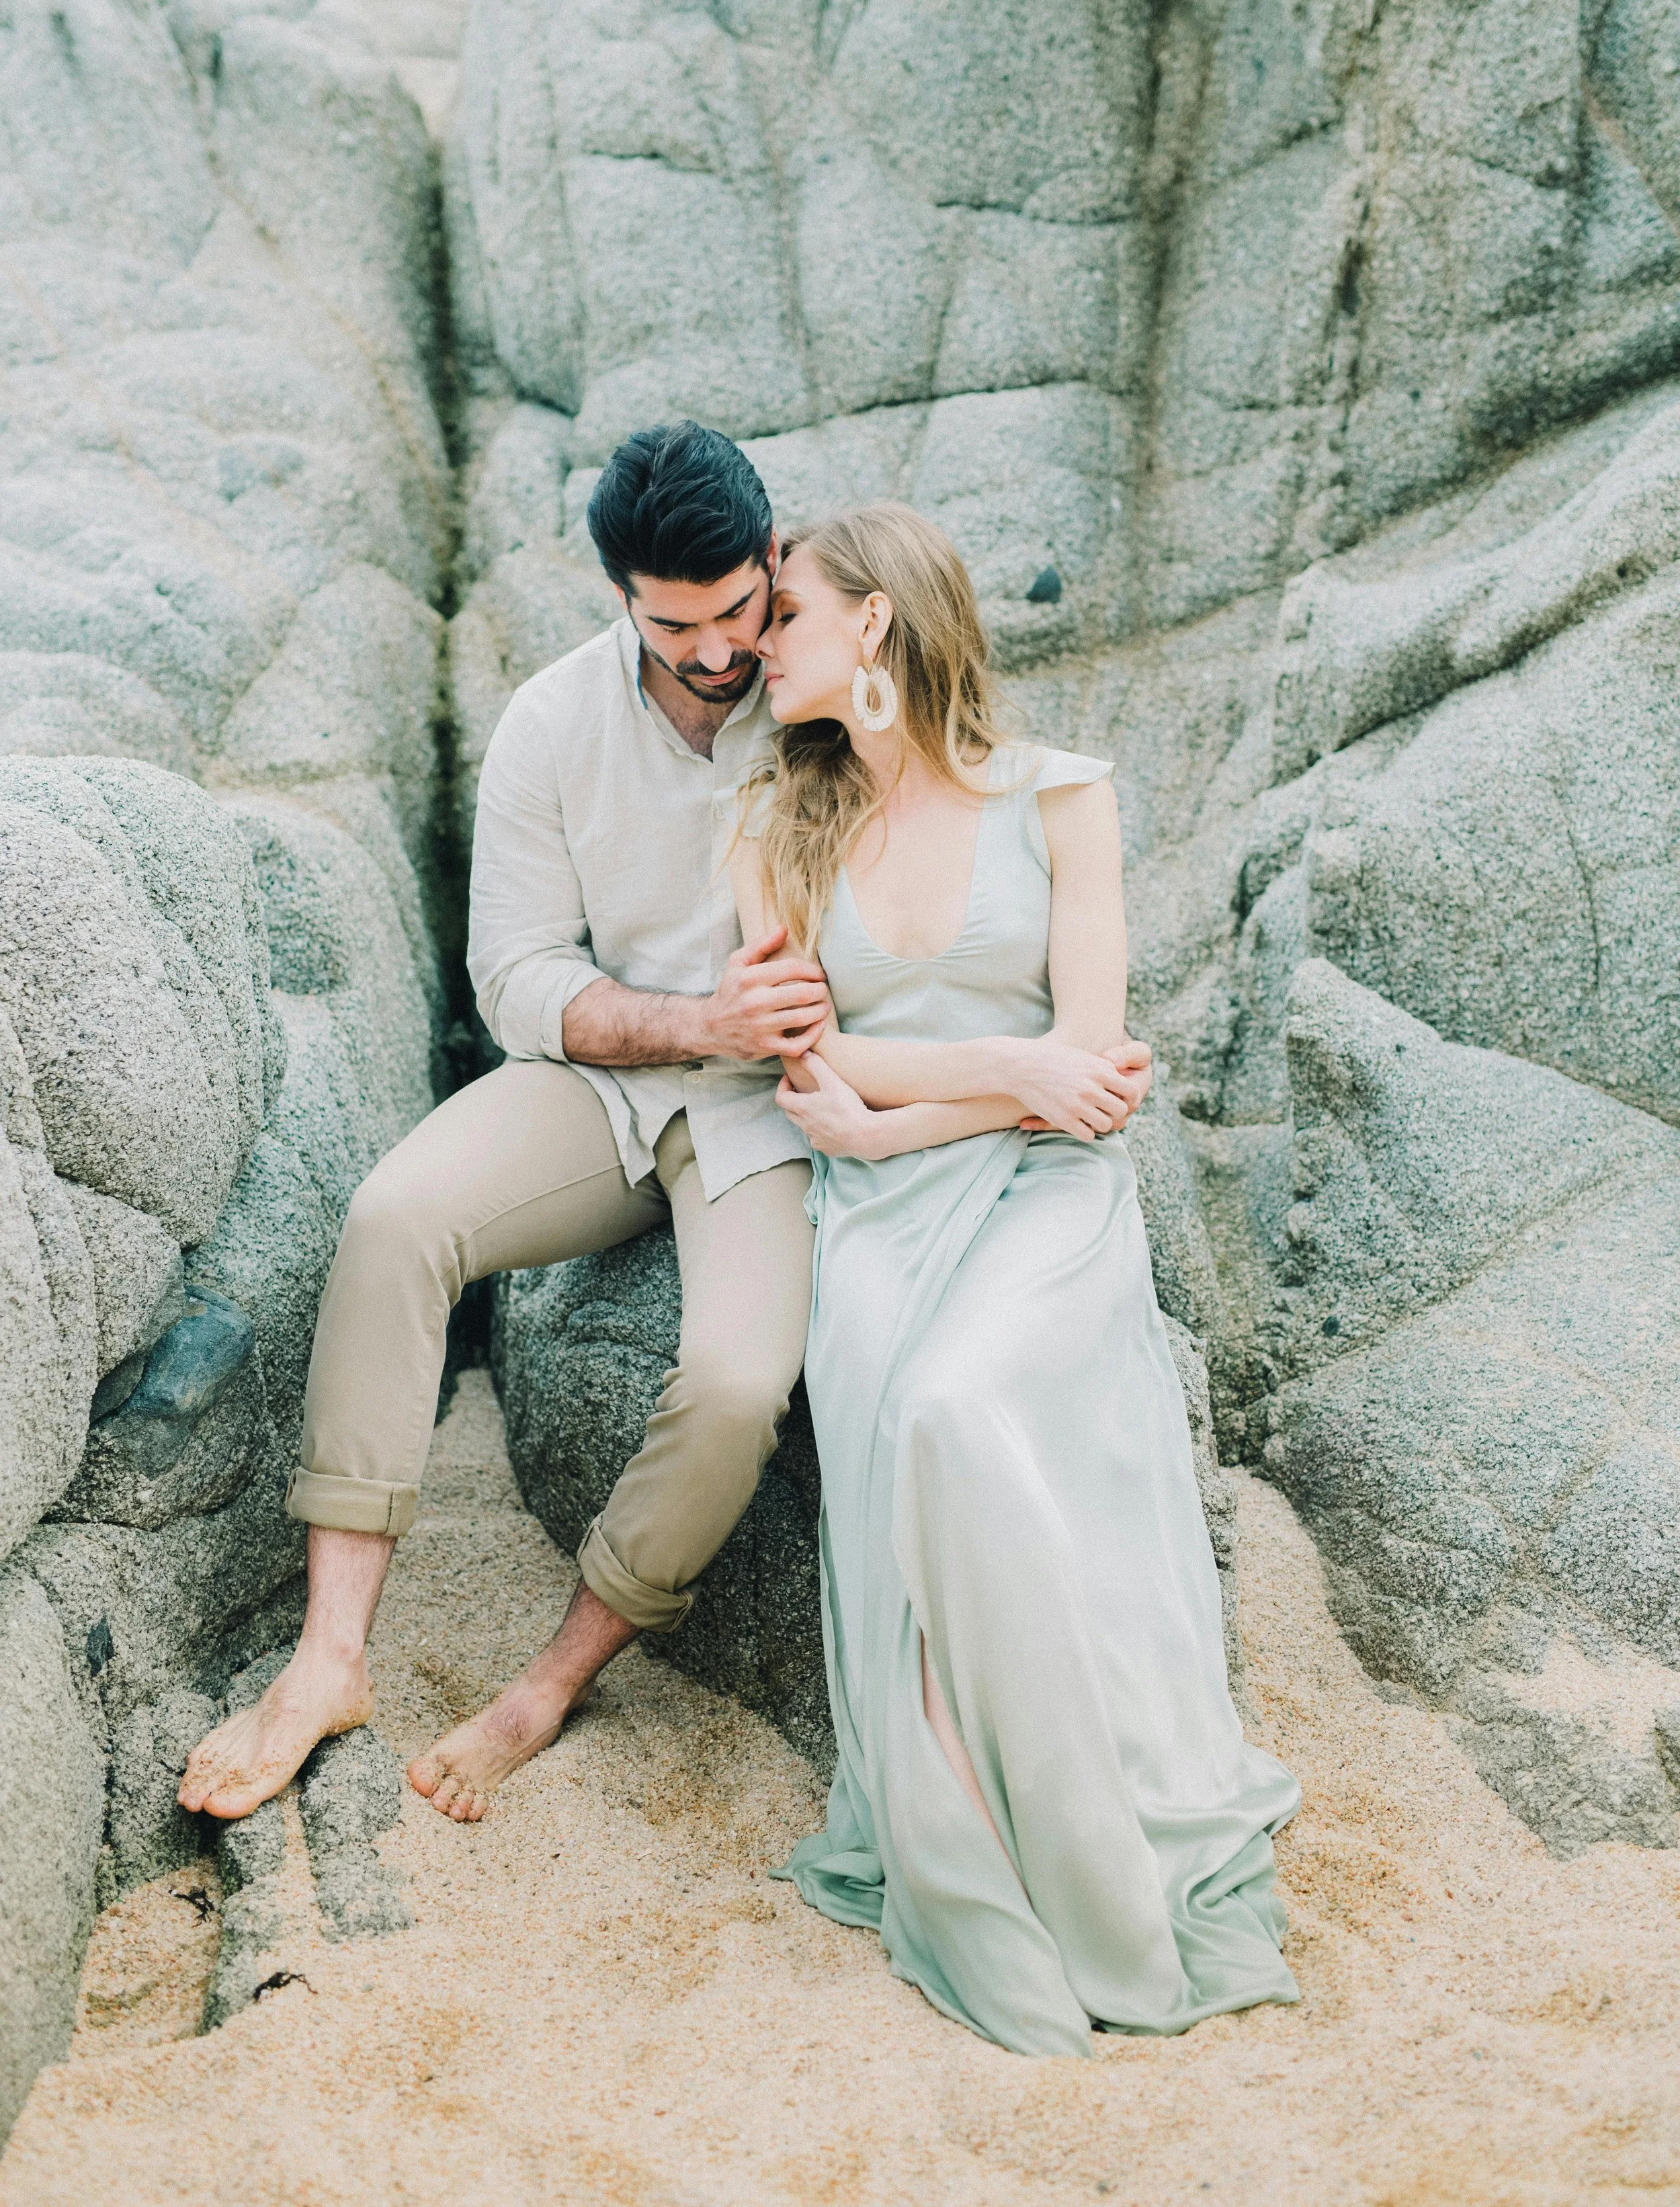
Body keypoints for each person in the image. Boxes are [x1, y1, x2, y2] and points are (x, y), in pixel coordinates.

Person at [178, 425, 1157, 1825]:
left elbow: (960, 816)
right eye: (673, 624)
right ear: (622, 598)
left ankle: (554, 1678)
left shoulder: (816, 685)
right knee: (396, 1217)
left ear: (773, 568)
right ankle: (328, 1660)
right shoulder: (550, 724)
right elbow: (513, 977)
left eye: (738, 614)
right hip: (612, 1076)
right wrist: (693, 1020)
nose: (715, 652)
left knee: (737, 1385)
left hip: (776, 1120)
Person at [728, 503, 1300, 2058]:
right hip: (874, 1216)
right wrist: (991, 1068)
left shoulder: (1064, 801)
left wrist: (922, 1106)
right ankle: (965, 1822)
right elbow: (814, 1055)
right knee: (900, 1410)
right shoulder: (771, 824)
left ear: (873, 623)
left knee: (956, 1406)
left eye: (782, 613)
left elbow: (1095, 1080)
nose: (752, 647)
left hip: (1044, 1201)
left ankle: (1078, 1828)